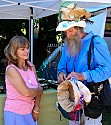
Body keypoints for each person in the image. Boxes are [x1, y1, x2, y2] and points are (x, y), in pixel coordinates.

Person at [56, 2, 111, 125]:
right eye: (65, 31)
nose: (67, 34)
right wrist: (61, 73)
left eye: (70, 30)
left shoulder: (96, 42)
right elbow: (61, 66)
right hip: (72, 100)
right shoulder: (67, 45)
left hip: (91, 100)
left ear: (79, 28)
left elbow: (107, 70)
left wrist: (83, 76)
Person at [4, 36, 43, 125]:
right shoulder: (11, 69)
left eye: (27, 48)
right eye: (22, 49)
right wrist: (40, 90)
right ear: (14, 51)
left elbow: (37, 87)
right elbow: (26, 92)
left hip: (30, 111)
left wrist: (37, 108)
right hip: (15, 113)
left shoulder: (30, 66)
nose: (27, 51)